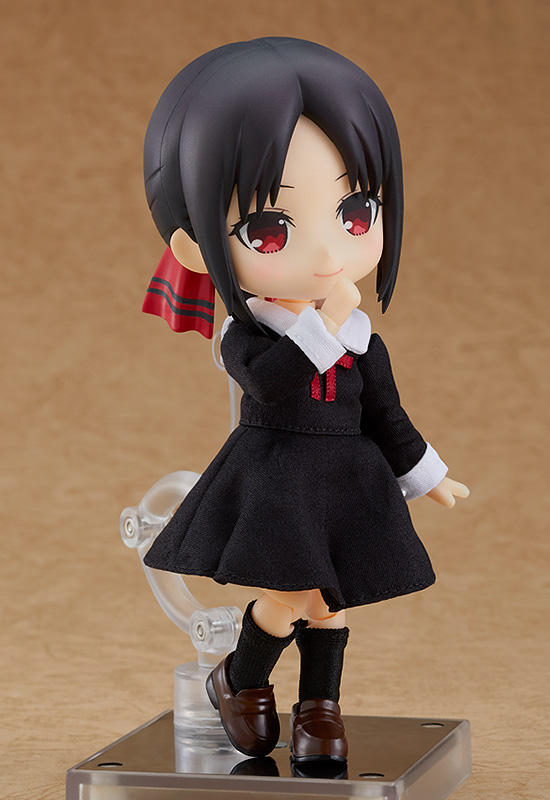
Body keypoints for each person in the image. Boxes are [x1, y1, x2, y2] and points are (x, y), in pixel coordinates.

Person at [141, 37, 469, 764]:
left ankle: (320, 709)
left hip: (348, 480)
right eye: (269, 229)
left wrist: (428, 473)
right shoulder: (249, 334)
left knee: (331, 602)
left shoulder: (361, 342)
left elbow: (387, 416)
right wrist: (322, 327)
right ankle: (243, 677)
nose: (326, 255)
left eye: (356, 212)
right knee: (289, 596)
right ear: (195, 246)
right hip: (277, 480)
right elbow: (270, 382)